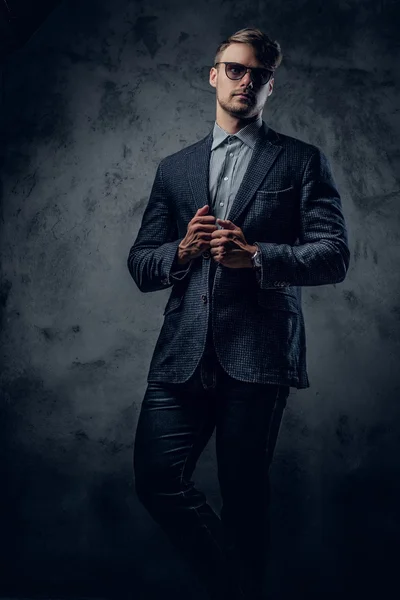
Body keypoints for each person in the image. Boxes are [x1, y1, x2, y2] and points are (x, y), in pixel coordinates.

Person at [127, 27, 350, 600]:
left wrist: (256, 257)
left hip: (259, 352)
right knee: (156, 480)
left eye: (259, 74)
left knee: (244, 495)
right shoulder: (174, 169)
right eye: (235, 69)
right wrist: (181, 250)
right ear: (213, 74)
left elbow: (333, 256)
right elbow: (141, 262)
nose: (245, 81)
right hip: (181, 354)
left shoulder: (300, 161)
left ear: (271, 86)